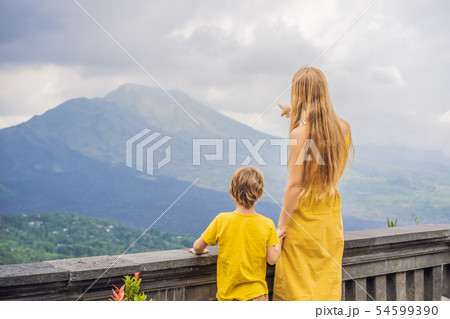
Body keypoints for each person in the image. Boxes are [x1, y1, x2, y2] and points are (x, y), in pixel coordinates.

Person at [274, 67, 353, 301]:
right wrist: (296, 112)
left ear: (298, 93)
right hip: (329, 221)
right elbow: (322, 127)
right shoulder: (344, 127)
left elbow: (296, 185)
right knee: (324, 291)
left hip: (303, 222)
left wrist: (280, 227)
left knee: (297, 293)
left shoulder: (300, 133)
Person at [189, 166, 285, 301]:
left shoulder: (222, 219)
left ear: (231, 191)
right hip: (257, 296)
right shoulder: (267, 224)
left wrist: (198, 250)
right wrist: (279, 241)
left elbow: (198, 246)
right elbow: (272, 259)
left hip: (228, 296)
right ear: (260, 193)